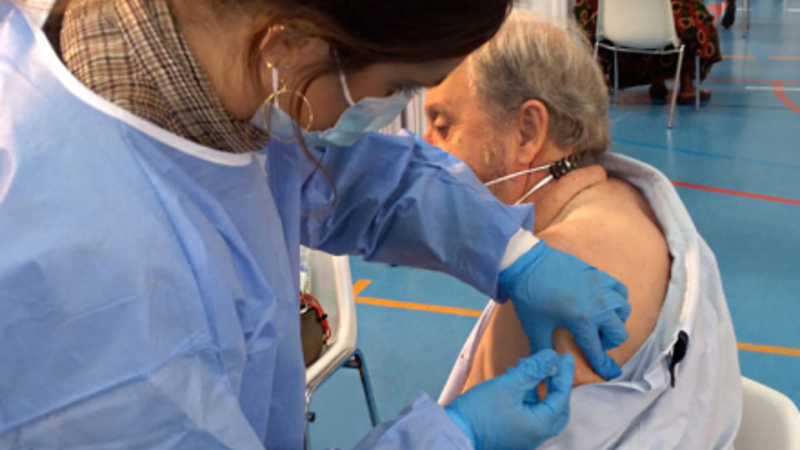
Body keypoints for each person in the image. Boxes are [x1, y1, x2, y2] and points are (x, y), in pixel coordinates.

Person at [0, 0, 633, 449]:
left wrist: (513, 253)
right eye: (398, 86)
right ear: (291, 43)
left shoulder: (214, 79)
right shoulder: (91, 281)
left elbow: (346, 176)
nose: (396, 115)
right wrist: (453, 436)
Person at [426, 12, 742, 449]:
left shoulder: (558, 279)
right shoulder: (628, 200)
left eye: (442, 126)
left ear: (527, 131)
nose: (425, 146)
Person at [575, 0, 722, 104]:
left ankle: (654, 79)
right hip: (661, 38)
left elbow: (581, 11)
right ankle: (686, 84)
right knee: (691, 19)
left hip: (615, 39)